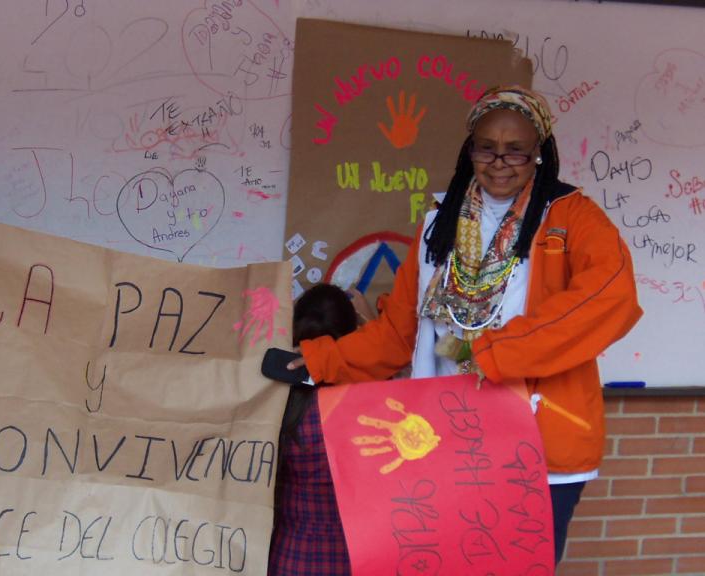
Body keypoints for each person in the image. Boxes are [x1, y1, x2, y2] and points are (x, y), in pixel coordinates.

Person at [286, 86, 642, 563]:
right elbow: (399, 333)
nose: (500, 161)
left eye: (515, 149)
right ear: (469, 150)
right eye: (486, 147)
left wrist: (496, 351)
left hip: (533, 448)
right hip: (442, 437)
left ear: (539, 152)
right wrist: (318, 359)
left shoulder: (573, 218)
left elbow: (610, 299)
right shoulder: (440, 222)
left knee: (512, 567)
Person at [269, 284, 366, 576]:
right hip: (357, 558)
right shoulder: (372, 402)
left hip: (291, 557)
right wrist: (369, 324)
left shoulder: (276, 398)